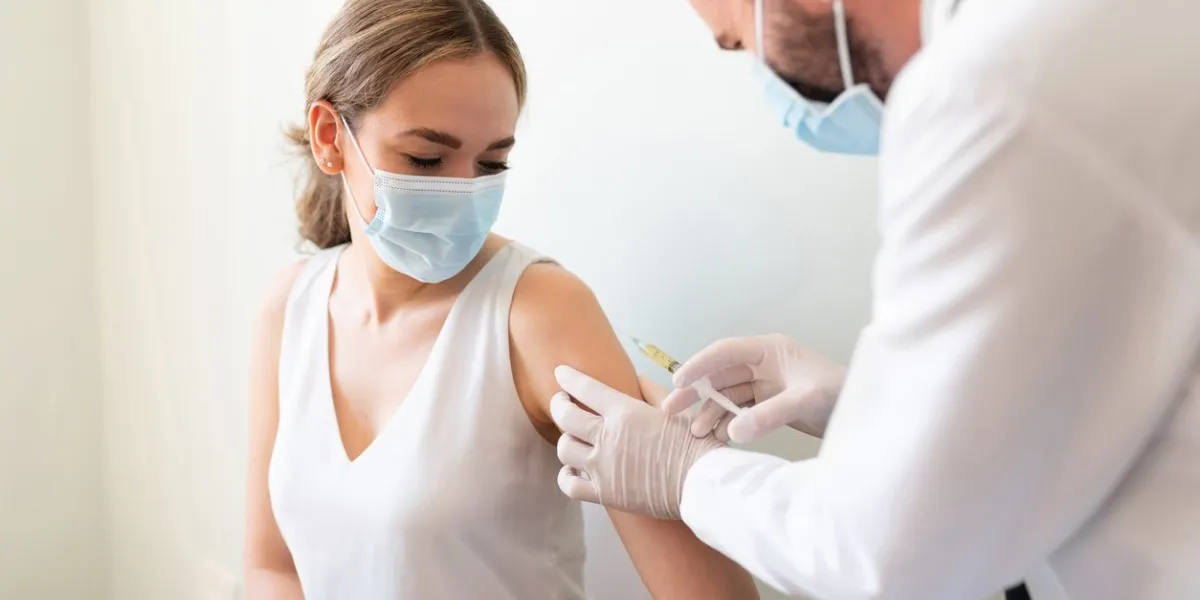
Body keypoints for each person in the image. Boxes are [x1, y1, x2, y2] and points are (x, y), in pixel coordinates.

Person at [549, 0, 1200, 598]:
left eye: (739, 39)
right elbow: (1084, 375)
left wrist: (688, 478)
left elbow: (889, 556)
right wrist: (864, 405)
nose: (757, 69)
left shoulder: (992, 92)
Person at [242, 1, 759, 598]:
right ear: (331, 138)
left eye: (491, 163)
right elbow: (273, 568)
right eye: (426, 159)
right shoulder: (289, 309)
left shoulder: (539, 313)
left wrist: (693, 479)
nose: (465, 192)